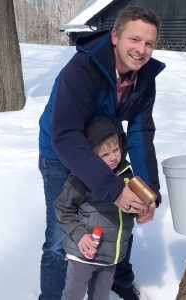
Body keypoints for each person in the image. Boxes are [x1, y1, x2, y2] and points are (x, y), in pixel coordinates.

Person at [38, 5, 165, 300]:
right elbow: (66, 135)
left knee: (121, 214)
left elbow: (140, 132)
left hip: (107, 150)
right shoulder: (83, 69)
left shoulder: (143, 76)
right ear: (115, 37)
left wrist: (148, 193)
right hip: (60, 151)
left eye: (149, 43)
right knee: (60, 236)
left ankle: (119, 278)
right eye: (134, 40)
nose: (141, 50)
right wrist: (113, 189)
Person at [55, 116, 135, 300]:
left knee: (100, 296)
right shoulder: (82, 178)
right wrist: (79, 235)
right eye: (105, 154)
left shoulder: (126, 174)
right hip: (85, 253)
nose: (114, 157)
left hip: (111, 256)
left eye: (116, 150)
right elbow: (63, 208)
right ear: (91, 156)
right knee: (72, 296)